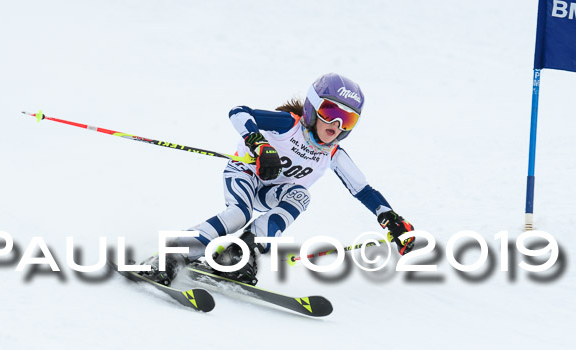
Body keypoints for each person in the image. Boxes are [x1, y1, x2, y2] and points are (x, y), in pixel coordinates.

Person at [144, 73, 415, 285]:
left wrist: (390, 219)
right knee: (239, 214)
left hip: (272, 191)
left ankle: (238, 254)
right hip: (246, 174)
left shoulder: (332, 153)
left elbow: (363, 189)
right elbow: (238, 112)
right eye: (331, 113)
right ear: (312, 107)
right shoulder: (289, 125)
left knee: (301, 195)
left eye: (348, 119)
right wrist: (259, 143)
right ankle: (173, 254)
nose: (337, 125)